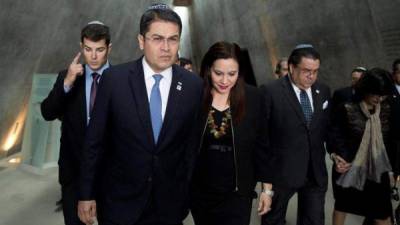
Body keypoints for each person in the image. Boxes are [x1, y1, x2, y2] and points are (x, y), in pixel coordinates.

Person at [77, 3, 203, 225]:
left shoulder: (193, 85)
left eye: (173, 39)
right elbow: (94, 141)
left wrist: (186, 191)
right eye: (157, 38)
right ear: (141, 41)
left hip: (169, 205)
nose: (166, 47)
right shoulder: (115, 80)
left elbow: (191, 146)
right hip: (119, 202)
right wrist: (86, 193)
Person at [190, 41, 272, 225]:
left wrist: (267, 190)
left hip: (237, 193)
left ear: (240, 72)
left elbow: (262, 145)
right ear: (208, 69)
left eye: (232, 74)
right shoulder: (195, 95)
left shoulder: (253, 97)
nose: (225, 81)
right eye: (218, 73)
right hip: (201, 192)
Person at [40, 21, 112, 225]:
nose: (94, 56)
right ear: (81, 47)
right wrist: (67, 84)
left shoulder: (121, 79)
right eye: (88, 49)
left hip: (111, 174)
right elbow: (47, 112)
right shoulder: (68, 76)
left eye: (100, 50)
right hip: (74, 171)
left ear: (109, 48)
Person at [260, 44, 331, 225]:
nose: (311, 76)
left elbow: (325, 127)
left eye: (315, 71)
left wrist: (336, 152)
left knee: (314, 220)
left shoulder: (323, 90)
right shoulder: (271, 92)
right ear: (291, 68)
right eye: (306, 70)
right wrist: (266, 185)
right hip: (282, 172)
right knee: (273, 220)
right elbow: (262, 138)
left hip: (315, 172)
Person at [328, 68, 397, 225]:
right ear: (365, 89)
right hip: (351, 168)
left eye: (382, 95)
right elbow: (335, 137)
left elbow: (392, 141)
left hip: (378, 171)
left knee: (383, 212)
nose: (379, 99)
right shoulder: (347, 108)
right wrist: (338, 157)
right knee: (343, 206)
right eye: (375, 94)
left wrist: (393, 170)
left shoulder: (387, 109)